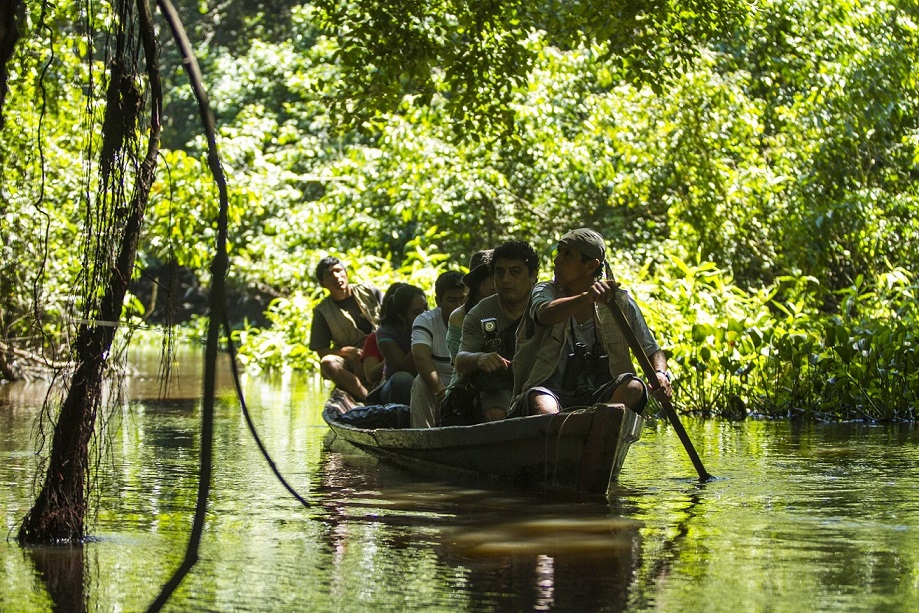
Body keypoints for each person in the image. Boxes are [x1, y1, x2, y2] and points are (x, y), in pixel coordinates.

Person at [511, 228, 672, 416]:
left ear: (591, 266)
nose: (557, 260)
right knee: (542, 404)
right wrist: (586, 297)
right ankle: (569, 431)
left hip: (600, 399)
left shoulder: (619, 303)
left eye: (567, 254)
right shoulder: (544, 291)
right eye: (559, 252)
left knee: (634, 388)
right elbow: (545, 314)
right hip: (550, 393)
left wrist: (660, 374)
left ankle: (595, 428)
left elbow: (652, 350)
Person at [443, 240, 539, 424]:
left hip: (541, 382)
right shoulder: (479, 313)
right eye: (499, 272)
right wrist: (479, 358)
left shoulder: (545, 304)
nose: (506, 280)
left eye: (515, 272)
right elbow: (461, 359)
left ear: (533, 275)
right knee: (495, 414)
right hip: (498, 388)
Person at [309, 257, 382, 402]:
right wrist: (347, 351)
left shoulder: (369, 291)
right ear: (322, 283)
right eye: (330, 274)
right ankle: (367, 398)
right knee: (327, 363)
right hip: (353, 361)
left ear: (346, 274)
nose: (336, 276)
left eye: (339, 271)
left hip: (380, 349)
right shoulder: (322, 311)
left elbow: (393, 320)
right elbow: (321, 350)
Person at [410, 271, 468, 428]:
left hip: (467, 381)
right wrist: (439, 389)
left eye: (462, 299)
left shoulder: (477, 317)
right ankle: (422, 437)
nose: (458, 306)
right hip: (438, 383)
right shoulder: (425, 321)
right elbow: (421, 357)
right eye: (451, 300)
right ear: (438, 301)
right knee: (420, 383)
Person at [376, 284, 427, 405]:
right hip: (395, 388)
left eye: (426, 308)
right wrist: (421, 334)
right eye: (417, 312)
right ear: (402, 316)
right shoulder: (385, 332)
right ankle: (398, 418)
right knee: (403, 379)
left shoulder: (434, 321)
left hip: (427, 383)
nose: (424, 315)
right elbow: (404, 367)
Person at [446, 249, 495, 365]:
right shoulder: (459, 316)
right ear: (477, 281)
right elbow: (459, 365)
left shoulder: (509, 307)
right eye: (492, 276)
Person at [361, 282, 407, 394]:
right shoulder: (376, 337)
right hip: (388, 387)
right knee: (402, 379)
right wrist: (392, 357)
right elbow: (370, 375)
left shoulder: (423, 331)